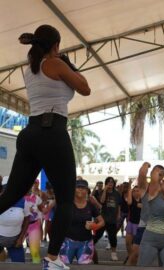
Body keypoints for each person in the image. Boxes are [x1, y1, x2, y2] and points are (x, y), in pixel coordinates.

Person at [0, 24, 90, 270]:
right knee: (65, 201)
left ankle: (52, 259)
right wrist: (69, 63)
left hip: (30, 133)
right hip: (53, 132)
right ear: (55, 45)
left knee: (11, 194)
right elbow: (85, 88)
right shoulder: (57, 64)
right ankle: (52, 259)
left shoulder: (29, 69)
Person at [59, 180, 104, 265]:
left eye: (83, 188)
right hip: (68, 242)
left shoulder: (91, 206)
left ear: (87, 190)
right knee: (63, 266)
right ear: (74, 189)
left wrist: (94, 226)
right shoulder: (67, 205)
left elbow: (102, 222)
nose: (80, 190)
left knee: (85, 267)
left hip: (86, 243)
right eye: (78, 187)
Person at [0, 176, 30, 263]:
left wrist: (21, 238)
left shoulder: (23, 201)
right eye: (6, 188)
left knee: (20, 265)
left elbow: (27, 219)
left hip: (15, 241)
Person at [94, 177, 121, 261]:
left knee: (113, 237)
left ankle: (113, 253)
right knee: (98, 235)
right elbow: (102, 201)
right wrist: (105, 190)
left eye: (112, 182)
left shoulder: (117, 193)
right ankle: (89, 249)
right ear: (106, 184)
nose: (110, 184)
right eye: (108, 182)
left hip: (112, 218)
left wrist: (118, 215)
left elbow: (119, 205)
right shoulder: (102, 192)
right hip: (103, 218)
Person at [125, 183, 141, 258]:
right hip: (131, 223)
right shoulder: (131, 199)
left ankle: (134, 257)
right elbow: (129, 202)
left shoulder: (143, 200)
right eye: (134, 191)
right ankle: (129, 255)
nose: (136, 192)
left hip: (139, 224)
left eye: (137, 191)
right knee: (128, 243)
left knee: (136, 244)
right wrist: (129, 189)